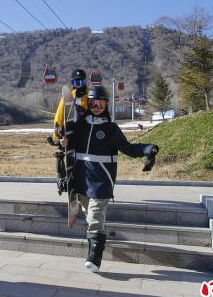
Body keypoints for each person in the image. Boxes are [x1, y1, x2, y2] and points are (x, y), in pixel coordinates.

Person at [60, 86, 158, 273]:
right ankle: (96, 245)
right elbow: (68, 144)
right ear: (88, 104)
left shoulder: (111, 129)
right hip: (81, 181)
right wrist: (61, 142)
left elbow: (129, 148)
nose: (97, 106)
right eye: (93, 103)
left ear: (106, 104)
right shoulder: (80, 125)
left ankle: (94, 258)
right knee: (91, 217)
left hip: (101, 182)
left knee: (95, 216)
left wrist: (148, 148)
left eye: (101, 103)